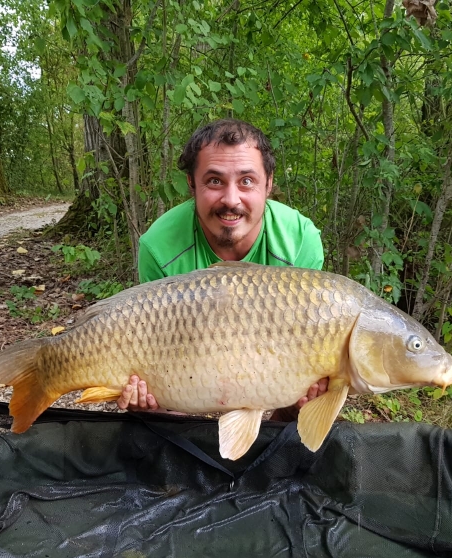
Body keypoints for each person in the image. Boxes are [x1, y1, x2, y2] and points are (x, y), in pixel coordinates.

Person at [119, 119, 328, 419]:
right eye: (215, 181)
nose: (231, 200)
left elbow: (302, 360)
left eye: (246, 181)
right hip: (185, 373)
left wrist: (304, 400)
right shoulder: (159, 247)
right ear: (192, 183)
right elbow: (154, 360)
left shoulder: (300, 242)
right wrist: (154, 405)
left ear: (268, 183)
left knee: (309, 398)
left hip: (275, 372)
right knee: (150, 416)